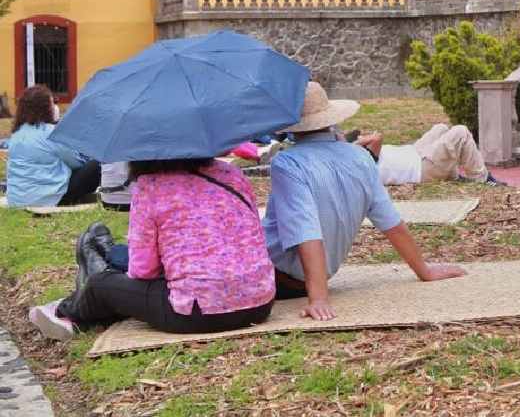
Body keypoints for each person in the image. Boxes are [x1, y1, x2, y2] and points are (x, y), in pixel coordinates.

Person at [262, 82, 465, 321]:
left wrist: (318, 298)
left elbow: (307, 232)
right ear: (331, 120)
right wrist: (424, 270)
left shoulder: (288, 163)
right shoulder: (361, 157)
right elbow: (391, 223)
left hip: (276, 275)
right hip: (309, 276)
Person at [27, 156, 275, 340]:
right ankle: (104, 263)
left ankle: (65, 311)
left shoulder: (151, 186)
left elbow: (143, 271)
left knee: (100, 285)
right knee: (128, 267)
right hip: (261, 303)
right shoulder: (232, 174)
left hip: (197, 312)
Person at [6, 85, 99, 208]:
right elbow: (77, 162)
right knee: (96, 165)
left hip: (17, 199)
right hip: (48, 199)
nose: (55, 107)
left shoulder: (16, 134)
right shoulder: (51, 133)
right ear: (45, 108)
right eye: (53, 102)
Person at [351, 124, 506, 186]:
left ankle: (452, 175)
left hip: (413, 153)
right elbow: (377, 138)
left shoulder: (356, 155)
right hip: (421, 168)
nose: (359, 138)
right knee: (461, 132)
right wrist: (363, 140)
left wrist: (358, 142)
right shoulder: (358, 161)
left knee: (441, 128)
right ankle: (482, 179)